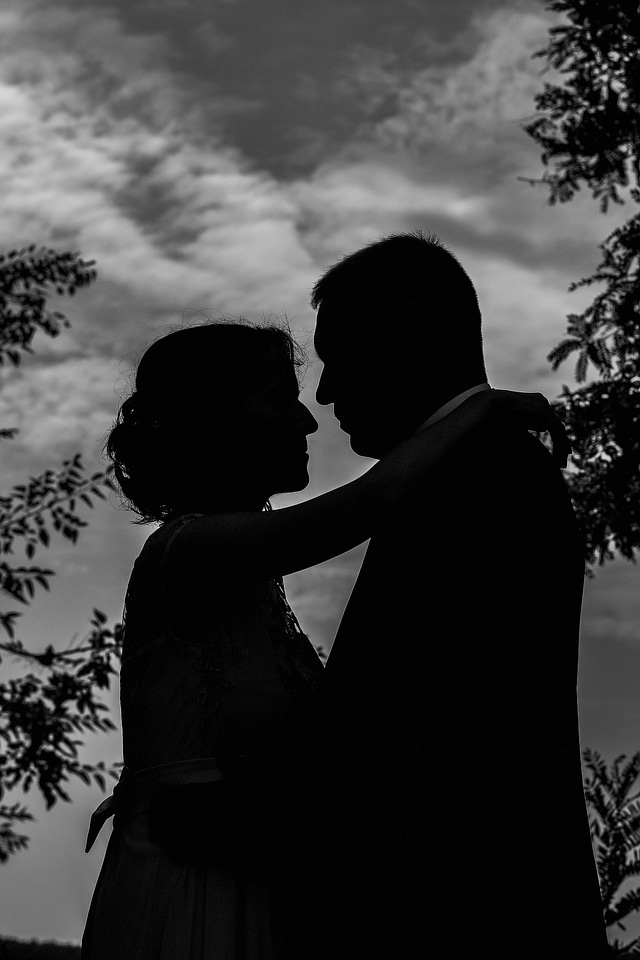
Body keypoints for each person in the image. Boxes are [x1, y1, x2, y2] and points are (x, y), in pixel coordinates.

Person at [80, 318, 568, 960]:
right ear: (219, 417)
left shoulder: (254, 580)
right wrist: (484, 409)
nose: (310, 423)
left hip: (253, 883)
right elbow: (380, 496)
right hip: (188, 891)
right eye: (283, 398)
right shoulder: (188, 551)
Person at [291, 230, 609, 960]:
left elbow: (422, 730)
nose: (327, 392)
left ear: (406, 334)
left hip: (463, 920)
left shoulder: (479, 481)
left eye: (339, 356)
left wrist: (248, 812)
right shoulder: (475, 468)